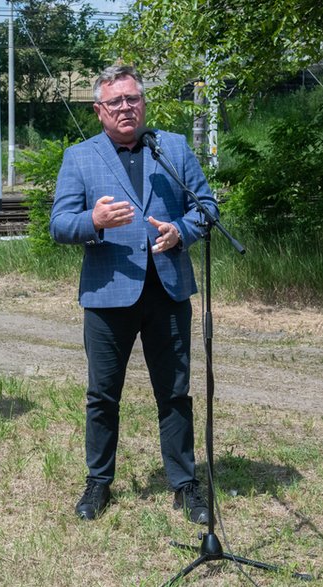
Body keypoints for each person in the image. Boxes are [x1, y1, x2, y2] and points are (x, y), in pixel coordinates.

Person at [50, 64, 219, 524]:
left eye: (133, 99)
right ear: (99, 110)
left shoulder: (173, 147)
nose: (126, 108)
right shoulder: (79, 157)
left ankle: (185, 485)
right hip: (108, 294)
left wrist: (180, 231)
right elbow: (60, 224)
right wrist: (94, 223)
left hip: (168, 291)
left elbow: (206, 207)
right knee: (103, 394)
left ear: (143, 103)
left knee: (176, 392)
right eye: (116, 102)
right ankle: (98, 483)